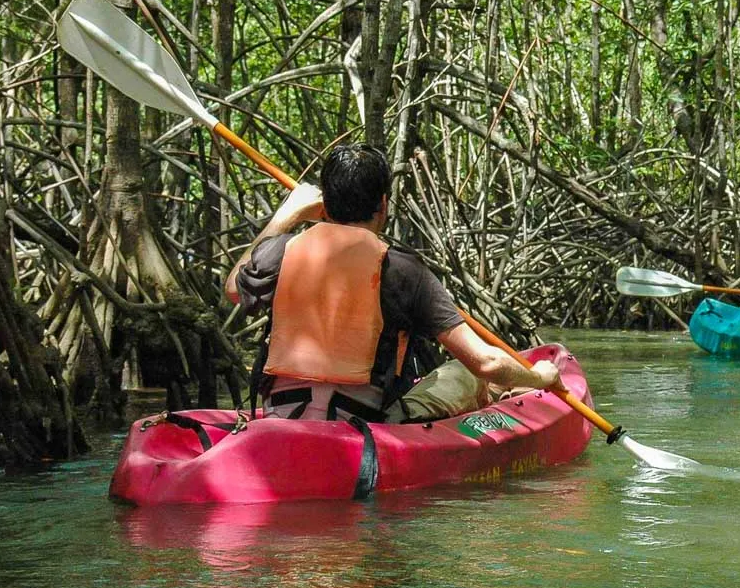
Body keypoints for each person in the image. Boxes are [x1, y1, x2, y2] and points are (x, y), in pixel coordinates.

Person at [224, 143, 561, 423]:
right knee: (467, 373)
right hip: (367, 423)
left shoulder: (281, 251)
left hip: (280, 416)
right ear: (383, 204)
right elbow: (486, 362)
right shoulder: (402, 270)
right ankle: (516, 394)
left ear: (323, 205)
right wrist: (539, 377)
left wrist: (286, 216)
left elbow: (233, 288)